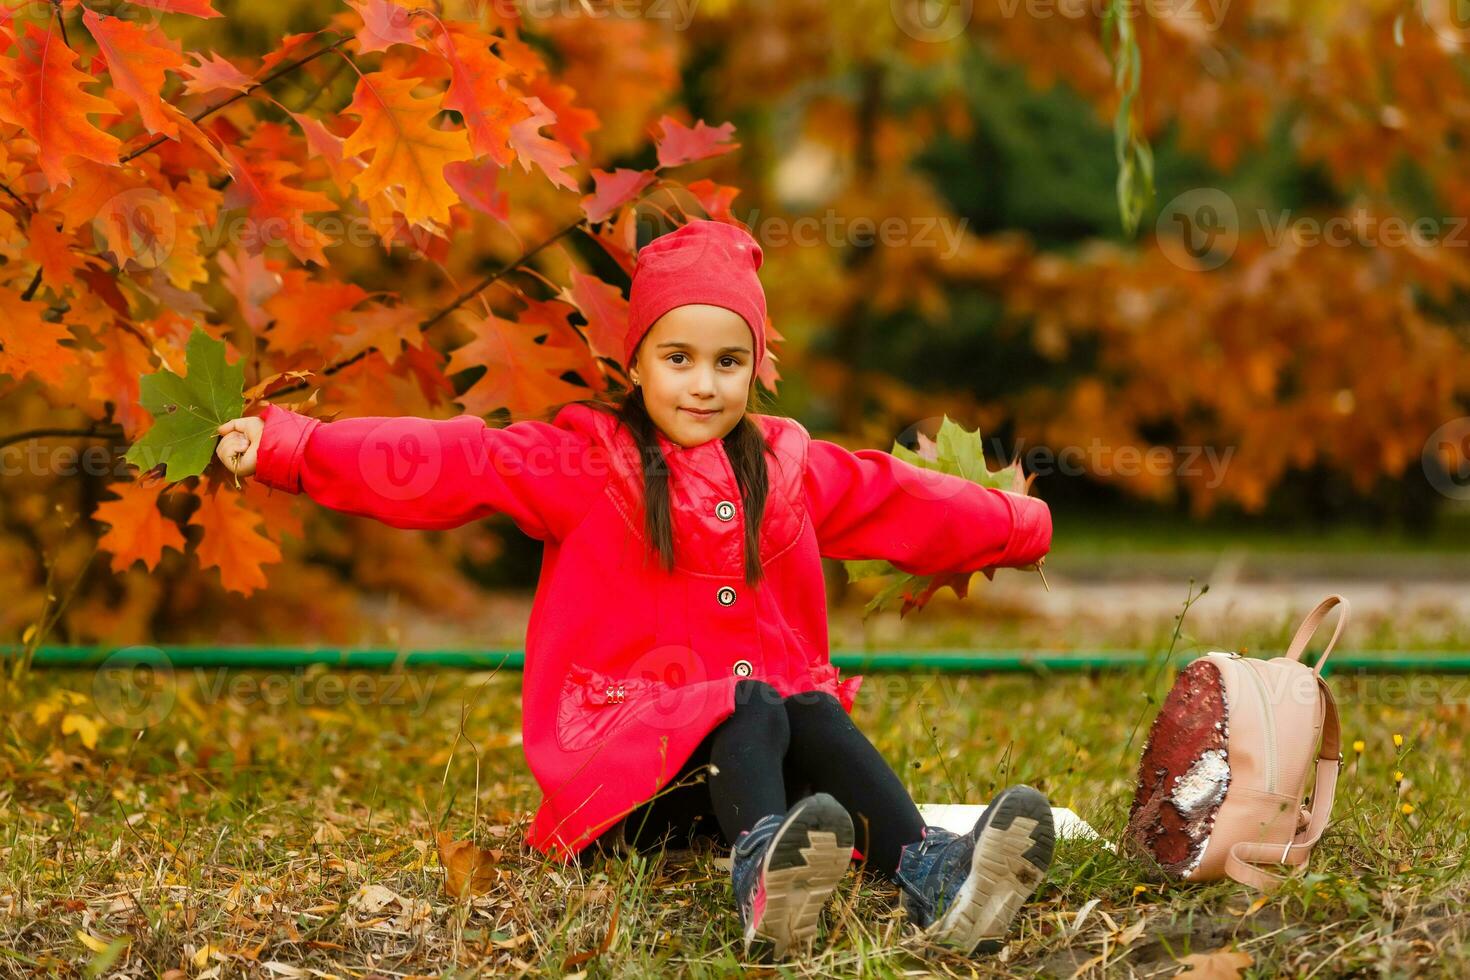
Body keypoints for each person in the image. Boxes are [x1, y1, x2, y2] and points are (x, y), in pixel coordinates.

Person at [215, 218, 1056, 961]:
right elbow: (450, 459)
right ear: (638, 360)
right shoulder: (584, 462)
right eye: (678, 358)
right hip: (623, 786)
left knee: (805, 707)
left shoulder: (789, 467)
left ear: (756, 367)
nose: (703, 384)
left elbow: (898, 499)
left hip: (739, 779)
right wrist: (298, 448)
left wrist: (1016, 525)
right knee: (751, 700)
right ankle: (766, 879)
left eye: (728, 362)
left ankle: (931, 872)